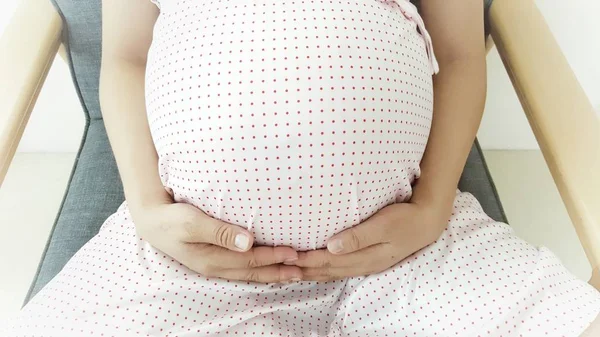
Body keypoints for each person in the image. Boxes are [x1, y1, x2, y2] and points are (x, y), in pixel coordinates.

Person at [3, 0, 599, 335]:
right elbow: (126, 59)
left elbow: (462, 54)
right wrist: (147, 209)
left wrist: (433, 207)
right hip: (191, 265)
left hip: (413, 252)